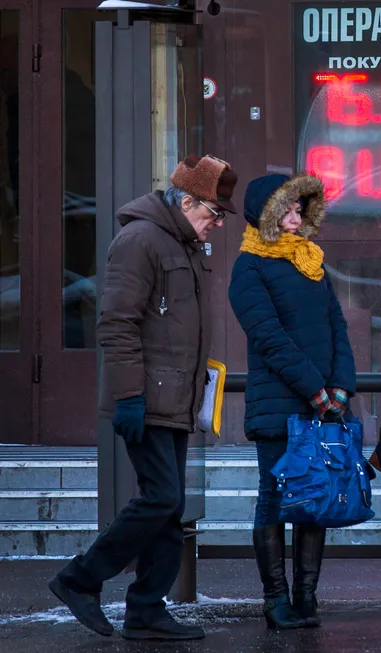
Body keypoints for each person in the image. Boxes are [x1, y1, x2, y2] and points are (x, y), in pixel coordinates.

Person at [48, 155, 239, 640]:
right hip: (148, 397)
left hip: (174, 398)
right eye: (212, 214)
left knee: (169, 506)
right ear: (187, 201)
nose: (216, 225)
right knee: (161, 498)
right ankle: (80, 578)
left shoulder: (183, 244)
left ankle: (147, 610)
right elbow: (116, 323)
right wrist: (130, 396)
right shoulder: (140, 241)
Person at [228, 173, 355, 629]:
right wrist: (315, 390)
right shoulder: (249, 267)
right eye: (288, 210)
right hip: (279, 405)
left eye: (301, 210)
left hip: (322, 404)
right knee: (275, 498)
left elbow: (337, 326)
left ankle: (307, 598)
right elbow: (269, 338)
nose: (297, 218)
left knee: (315, 497)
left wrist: (341, 386)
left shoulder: (311, 261)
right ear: (267, 215)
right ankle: (276, 600)